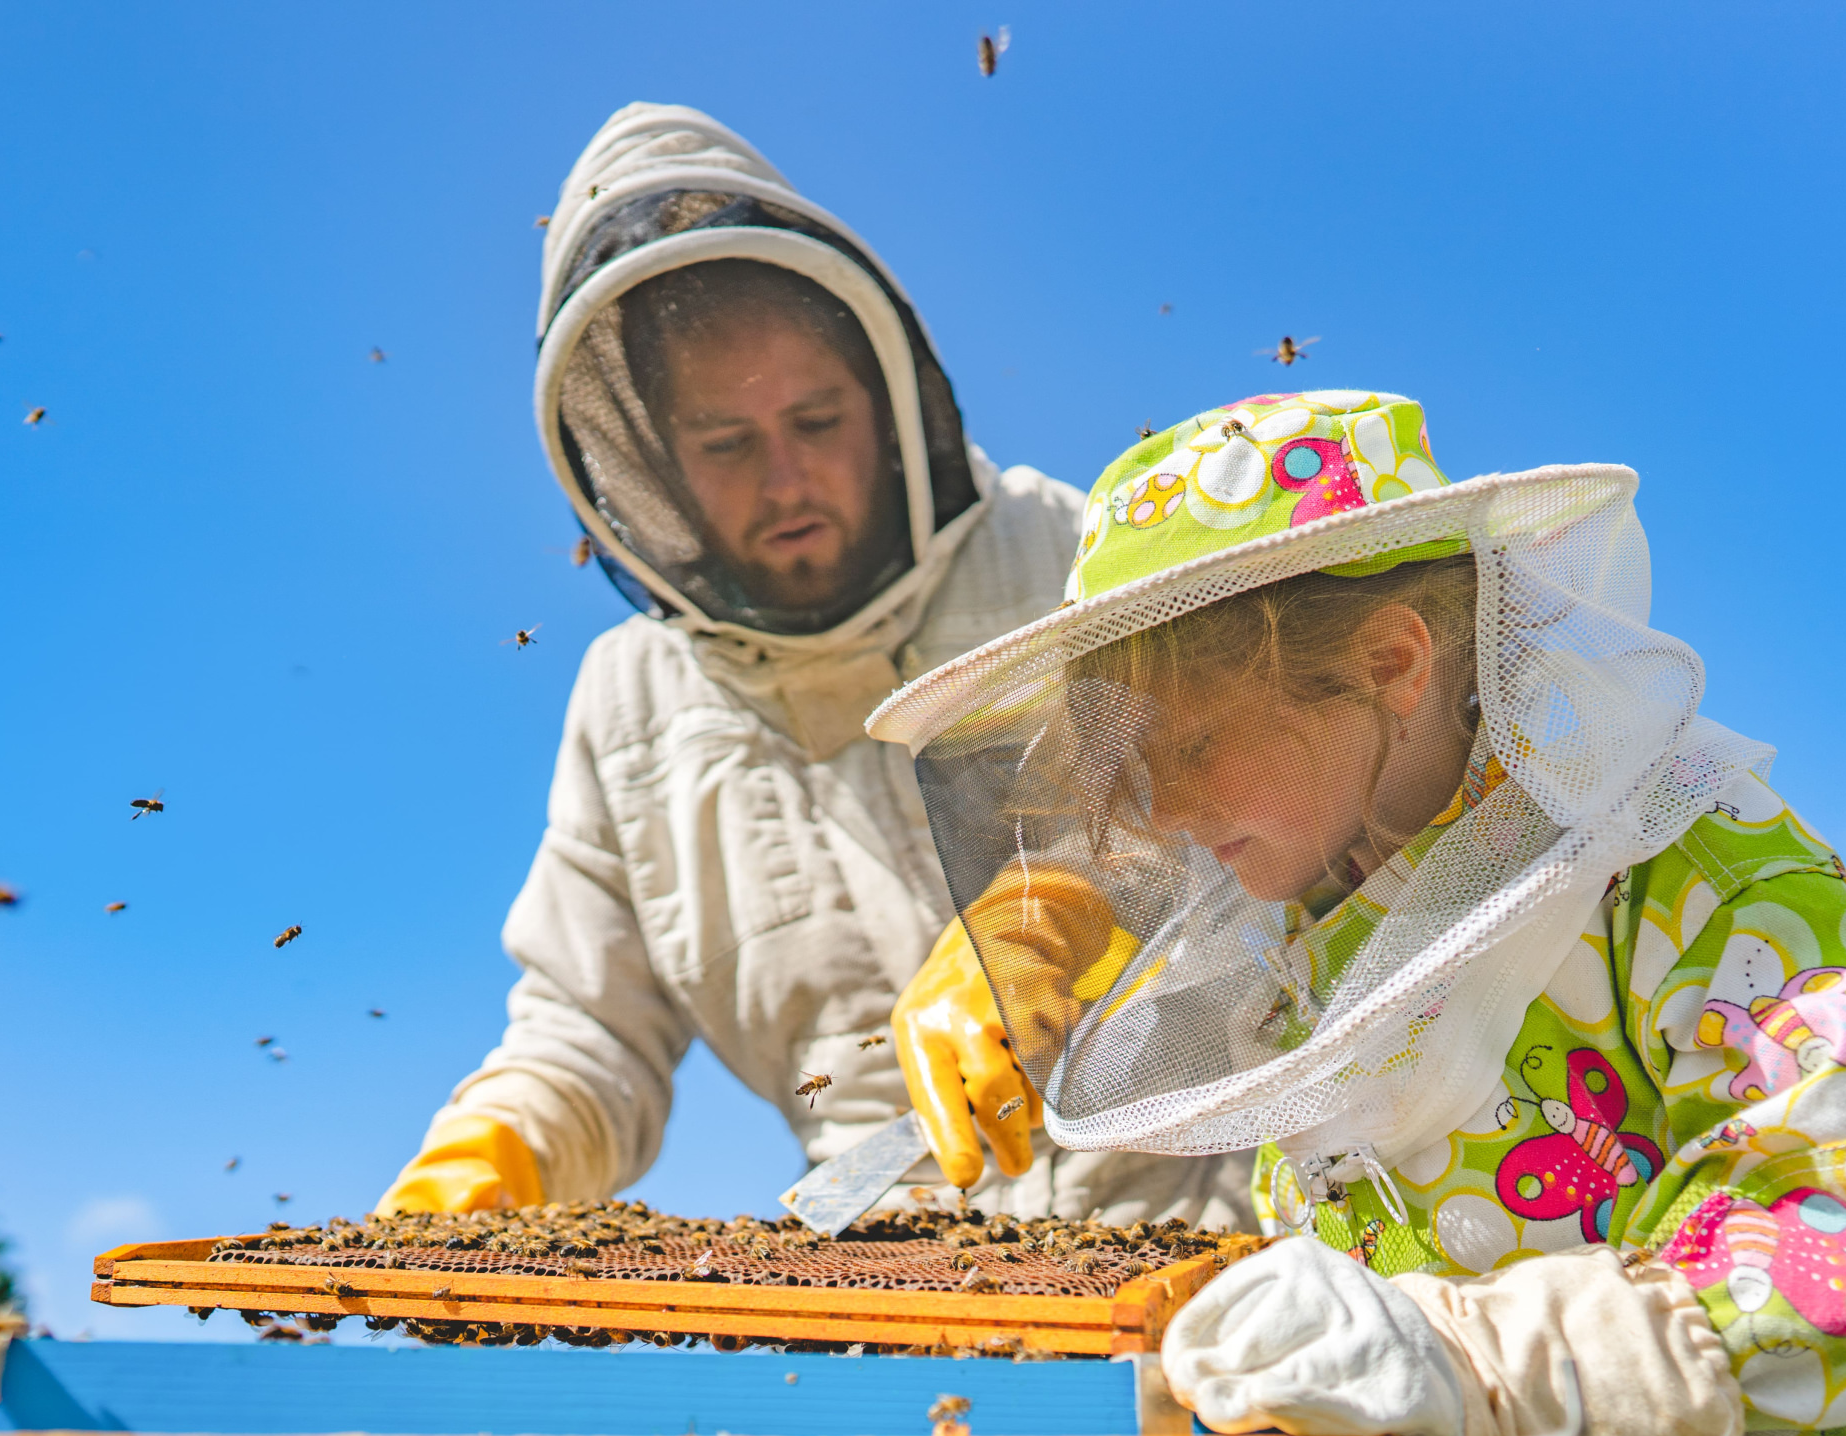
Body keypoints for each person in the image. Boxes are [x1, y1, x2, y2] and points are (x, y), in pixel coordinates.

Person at [866, 391, 1846, 1436]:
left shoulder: (1686, 854)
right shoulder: (1304, 973)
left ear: (1392, 661)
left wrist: (1468, 1364)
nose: (1162, 811)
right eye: (1135, 766)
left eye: (1189, 747)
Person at [375, 104, 1253, 1230]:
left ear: (886, 409)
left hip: (1210, 1221)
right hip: (885, 1262)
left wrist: (1056, 906)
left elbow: (1252, 795)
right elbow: (588, 1032)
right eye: (727, 444)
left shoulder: (1063, 550)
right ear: (654, 468)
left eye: (817, 419)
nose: (785, 479)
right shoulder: (627, 703)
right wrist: (499, 1148)